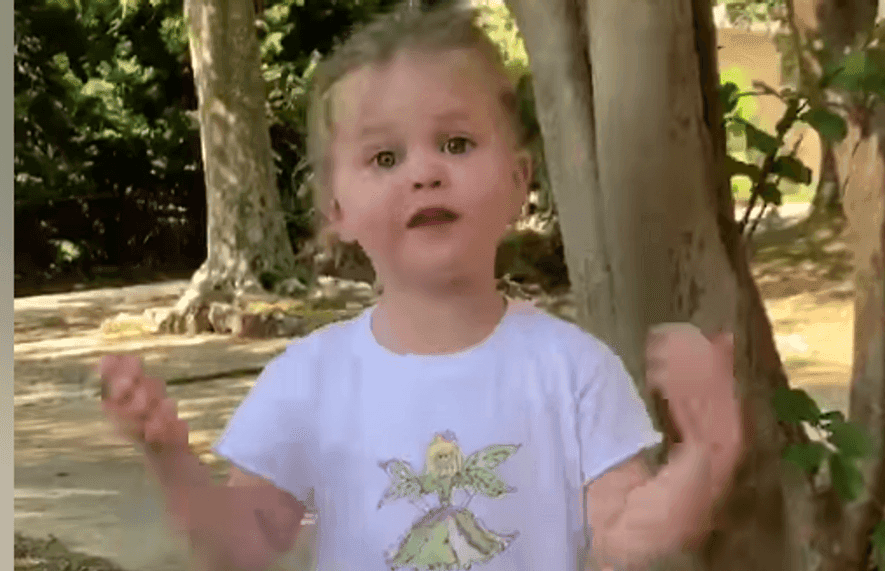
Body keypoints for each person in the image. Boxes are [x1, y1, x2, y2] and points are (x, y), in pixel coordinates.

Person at [99, 3, 743, 570]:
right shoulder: (308, 381)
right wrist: (172, 460)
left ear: (519, 182)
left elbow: (627, 542)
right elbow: (242, 549)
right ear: (335, 211)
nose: (425, 173)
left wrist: (708, 451)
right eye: (385, 158)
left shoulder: (575, 372)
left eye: (457, 143)